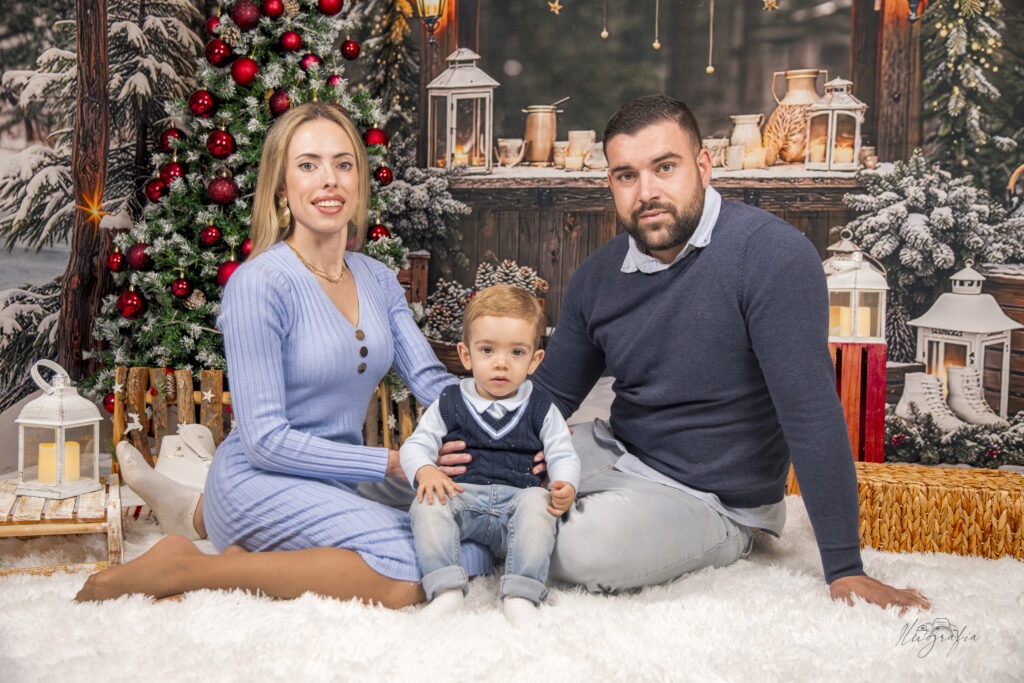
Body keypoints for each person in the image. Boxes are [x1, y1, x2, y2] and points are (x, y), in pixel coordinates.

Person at [445, 95, 930, 612]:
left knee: (581, 548)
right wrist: (473, 440)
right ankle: (467, 517)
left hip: (712, 499)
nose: (647, 192)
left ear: (703, 166)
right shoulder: (598, 275)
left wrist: (845, 567)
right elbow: (551, 394)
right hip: (614, 450)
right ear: (610, 183)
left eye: (665, 167)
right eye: (626, 175)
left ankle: (478, 529)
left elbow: (809, 412)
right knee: (459, 478)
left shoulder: (772, 255)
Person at [76, 101, 492, 606]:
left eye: (343, 164)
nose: (329, 180)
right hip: (260, 480)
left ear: (359, 179)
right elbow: (266, 442)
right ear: (280, 184)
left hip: (341, 478)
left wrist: (512, 420)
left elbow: (431, 381)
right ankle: (188, 568)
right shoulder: (260, 283)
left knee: (480, 533)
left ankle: (202, 522)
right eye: (308, 165)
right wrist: (392, 461)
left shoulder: (379, 279)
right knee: (421, 564)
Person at [400, 285, 580, 624]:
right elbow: (415, 445)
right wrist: (425, 470)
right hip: (463, 497)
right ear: (466, 355)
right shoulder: (450, 401)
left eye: (517, 352)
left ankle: (521, 594)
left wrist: (565, 483)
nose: (501, 363)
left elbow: (563, 452)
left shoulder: (541, 407)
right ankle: (446, 590)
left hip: (517, 504)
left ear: (534, 360)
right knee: (427, 501)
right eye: (487, 350)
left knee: (539, 504)